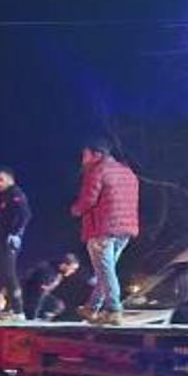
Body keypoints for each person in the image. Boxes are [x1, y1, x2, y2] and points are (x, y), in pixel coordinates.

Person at [70, 136, 139, 325]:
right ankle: (92, 307)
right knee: (106, 271)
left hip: (102, 227)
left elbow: (88, 200)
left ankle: (114, 309)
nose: (83, 159)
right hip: (125, 229)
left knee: (105, 271)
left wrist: (75, 209)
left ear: (97, 154)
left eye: (85, 155)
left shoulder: (96, 171)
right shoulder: (128, 172)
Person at [0, 166, 32, 314]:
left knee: (9, 274)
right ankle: (9, 309)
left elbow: (25, 214)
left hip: (9, 242)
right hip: (1, 242)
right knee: (2, 274)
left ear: (10, 179)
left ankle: (18, 310)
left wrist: (14, 234)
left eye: (1, 180)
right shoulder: (5, 196)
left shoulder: (15, 194)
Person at [22, 253, 81, 321]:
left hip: (40, 297)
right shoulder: (48, 272)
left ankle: (42, 319)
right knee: (54, 305)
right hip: (29, 298)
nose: (73, 272)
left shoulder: (59, 274)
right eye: (72, 268)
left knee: (57, 305)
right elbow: (37, 295)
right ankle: (33, 318)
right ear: (63, 265)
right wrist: (32, 317)